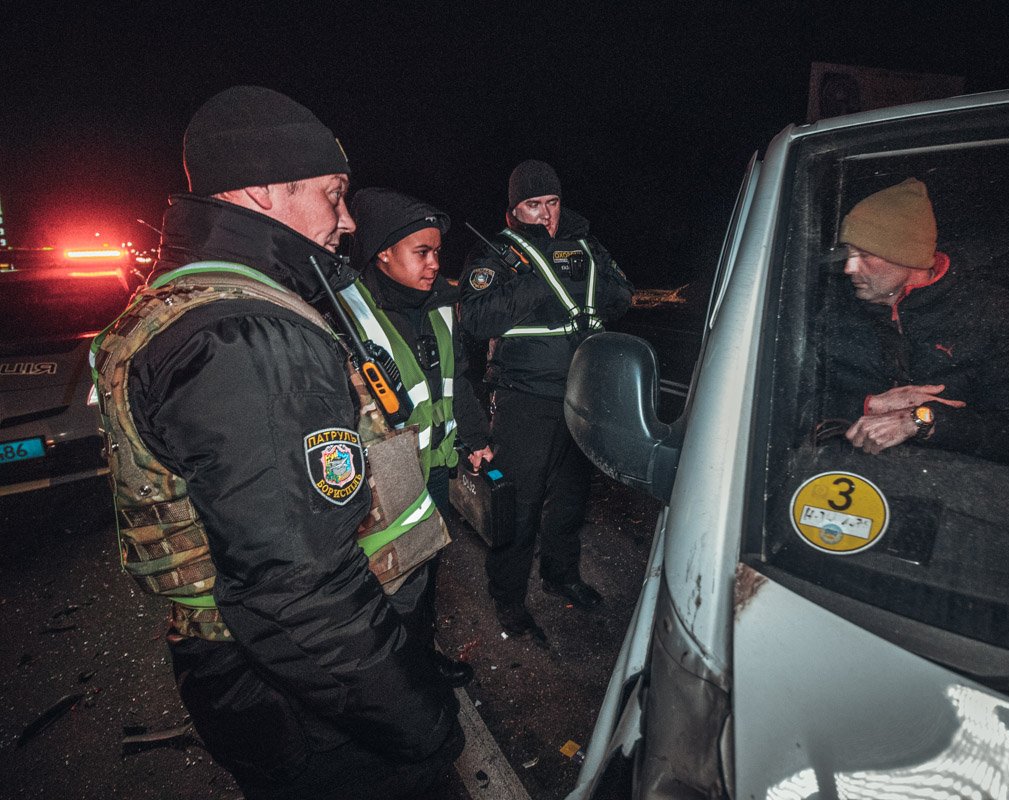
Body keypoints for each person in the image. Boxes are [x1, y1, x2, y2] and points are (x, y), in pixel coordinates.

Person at [90, 86, 461, 799]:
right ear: (262, 190)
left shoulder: (198, 302)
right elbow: (293, 588)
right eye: (333, 194)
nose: (347, 221)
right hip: (315, 708)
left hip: (278, 691)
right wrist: (419, 721)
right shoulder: (246, 335)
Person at [459, 159, 633, 638]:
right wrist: (539, 274)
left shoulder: (585, 245)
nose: (545, 214)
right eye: (533, 204)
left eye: (552, 202)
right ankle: (509, 599)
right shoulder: (498, 252)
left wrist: (578, 271)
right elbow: (477, 319)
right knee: (518, 506)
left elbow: (622, 296)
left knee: (571, 500)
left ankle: (561, 575)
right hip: (525, 400)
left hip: (582, 395)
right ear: (514, 210)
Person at [341, 187, 495, 685]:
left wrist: (475, 437)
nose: (434, 264)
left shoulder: (442, 304)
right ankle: (392, 679)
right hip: (380, 483)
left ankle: (422, 661)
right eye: (422, 252)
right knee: (385, 583)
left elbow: (457, 379)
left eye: (437, 252)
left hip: (434, 471)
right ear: (383, 252)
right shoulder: (345, 314)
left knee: (426, 572)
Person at [823, 177, 1009, 465]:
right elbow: (788, 402)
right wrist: (870, 405)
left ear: (907, 255)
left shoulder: (991, 313)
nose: (849, 267)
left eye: (865, 255)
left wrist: (925, 422)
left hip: (962, 485)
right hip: (849, 478)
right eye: (848, 253)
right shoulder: (830, 310)